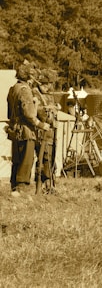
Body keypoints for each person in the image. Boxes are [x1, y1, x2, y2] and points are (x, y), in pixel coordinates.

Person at [6, 61, 50, 197]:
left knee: (17, 160)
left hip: (15, 130)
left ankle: (15, 188)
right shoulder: (25, 90)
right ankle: (21, 189)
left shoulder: (13, 89)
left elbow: (9, 114)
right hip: (26, 131)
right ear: (30, 77)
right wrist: (42, 125)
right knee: (26, 160)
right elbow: (30, 114)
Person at [32, 68, 59, 193]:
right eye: (46, 85)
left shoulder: (48, 95)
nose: (48, 88)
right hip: (41, 131)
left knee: (51, 157)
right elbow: (40, 113)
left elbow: (53, 110)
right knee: (44, 158)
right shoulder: (35, 93)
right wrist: (50, 111)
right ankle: (42, 184)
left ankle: (50, 183)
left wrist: (54, 109)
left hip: (51, 132)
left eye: (49, 85)